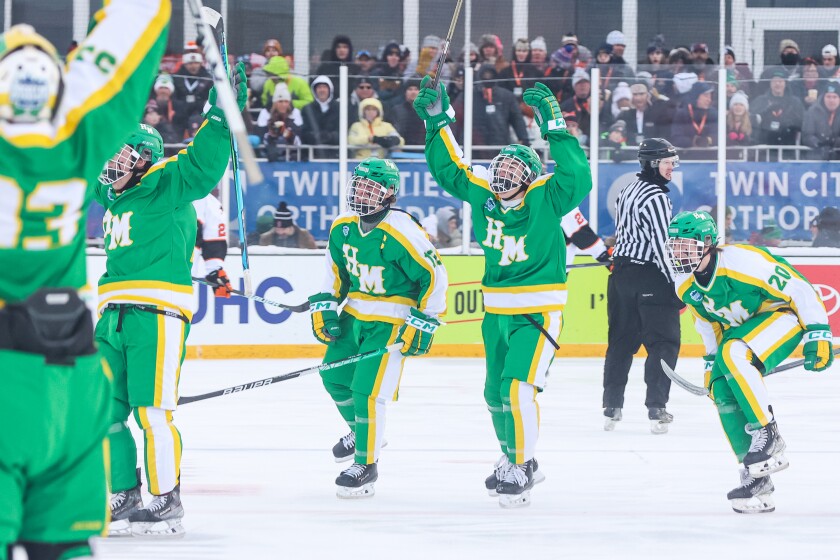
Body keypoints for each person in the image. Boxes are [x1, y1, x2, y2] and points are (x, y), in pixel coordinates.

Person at [0, 5, 170, 559]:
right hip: (71, 383)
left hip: (5, 382)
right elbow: (133, 31)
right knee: (68, 547)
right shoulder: (83, 136)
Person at [414, 78, 591, 507]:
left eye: (515, 170)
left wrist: (553, 124)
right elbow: (450, 169)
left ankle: (524, 464)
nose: (503, 175)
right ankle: (514, 457)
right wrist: (438, 121)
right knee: (494, 394)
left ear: (530, 177)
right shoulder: (483, 194)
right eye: (500, 168)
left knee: (517, 390)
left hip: (539, 313)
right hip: (495, 314)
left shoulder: (547, 195)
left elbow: (578, 177)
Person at [94, 63, 247, 537]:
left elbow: (201, 166)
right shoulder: (113, 198)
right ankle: (122, 493)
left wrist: (220, 118)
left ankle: (165, 499)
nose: (110, 163)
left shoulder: (163, 183)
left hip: (155, 315)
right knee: (101, 410)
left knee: (151, 413)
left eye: (120, 154)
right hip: (112, 316)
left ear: (142, 160)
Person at [666, 210, 834, 513]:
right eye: (675, 245)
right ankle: (757, 476)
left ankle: (769, 434)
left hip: (783, 318)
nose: (678, 253)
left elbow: (799, 288)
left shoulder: (743, 261)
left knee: (733, 352)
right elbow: (708, 324)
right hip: (743, 334)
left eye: (685, 245)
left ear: (707, 243)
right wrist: (710, 366)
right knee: (721, 388)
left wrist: (818, 332)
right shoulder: (684, 283)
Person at [308, 158, 448, 498]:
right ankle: (361, 431)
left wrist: (425, 321)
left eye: (371, 188)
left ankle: (366, 464)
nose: (361, 193)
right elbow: (334, 272)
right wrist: (325, 306)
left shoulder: (402, 231)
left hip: (390, 321)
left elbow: (434, 276)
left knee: (367, 392)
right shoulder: (343, 226)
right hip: (354, 315)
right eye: (358, 186)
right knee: (333, 376)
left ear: (389, 195)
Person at [602, 138, 682, 434]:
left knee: (620, 342)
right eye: (667, 162)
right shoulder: (657, 197)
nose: (672, 167)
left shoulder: (628, 189)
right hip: (651, 276)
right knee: (664, 343)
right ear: (652, 164)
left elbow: (624, 234)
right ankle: (656, 406)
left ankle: (612, 405)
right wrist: (676, 284)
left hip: (621, 276)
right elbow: (662, 246)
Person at [192, 193, 229, 294]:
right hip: (148, 272)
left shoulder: (207, 203)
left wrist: (215, 273)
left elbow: (214, 243)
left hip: (179, 279)